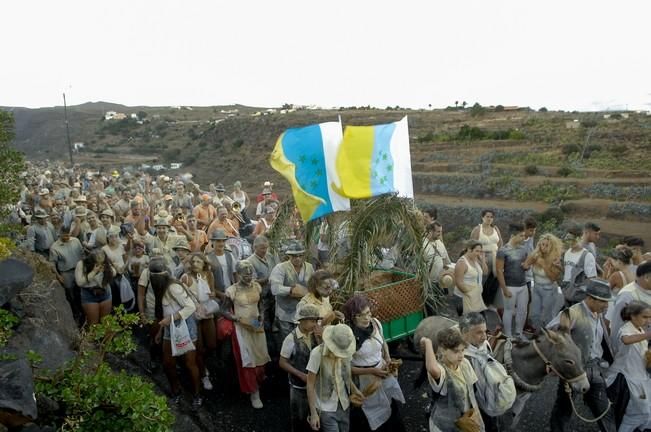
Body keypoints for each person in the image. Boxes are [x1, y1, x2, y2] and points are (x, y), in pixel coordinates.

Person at [547, 279, 616, 432]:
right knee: (564, 409)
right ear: (590, 298)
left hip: (595, 370)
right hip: (575, 372)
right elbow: (549, 333)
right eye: (603, 301)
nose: (606, 305)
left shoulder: (598, 314)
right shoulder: (572, 313)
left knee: (604, 411)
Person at [343, 295, 405, 432]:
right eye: (361, 315)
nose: (367, 318)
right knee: (370, 411)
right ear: (353, 317)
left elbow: (383, 343)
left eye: (368, 313)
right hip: (364, 379)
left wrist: (388, 359)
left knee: (388, 403)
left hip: (382, 370)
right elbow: (346, 368)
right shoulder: (348, 335)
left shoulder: (375, 323)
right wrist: (371, 371)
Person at [148, 259, 202, 409]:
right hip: (168, 327)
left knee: (189, 363)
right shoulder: (159, 288)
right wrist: (160, 330)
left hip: (185, 326)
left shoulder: (173, 288)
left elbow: (190, 307)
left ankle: (197, 394)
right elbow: (164, 312)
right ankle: (175, 391)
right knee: (168, 363)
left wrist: (170, 319)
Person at [222, 261, 271, 408]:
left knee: (261, 356)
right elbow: (223, 310)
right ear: (238, 275)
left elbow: (261, 304)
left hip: (256, 326)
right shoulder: (232, 291)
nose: (249, 277)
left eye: (251, 274)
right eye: (245, 275)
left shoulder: (257, 286)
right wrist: (236, 318)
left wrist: (261, 316)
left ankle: (259, 381)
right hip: (241, 328)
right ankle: (253, 392)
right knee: (248, 360)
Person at [420, 327, 485, 432]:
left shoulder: (464, 364)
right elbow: (432, 369)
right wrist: (428, 343)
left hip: (466, 422)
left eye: (463, 350)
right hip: (444, 426)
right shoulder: (442, 370)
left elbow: (472, 392)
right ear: (443, 349)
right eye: (456, 351)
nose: (461, 355)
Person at [459, 312, 516, 432]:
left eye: (485, 331)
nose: (485, 337)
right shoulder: (459, 357)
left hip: (490, 404)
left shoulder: (484, 344)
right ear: (464, 333)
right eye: (479, 332)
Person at [605, 301, 651, 432]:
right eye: (645, 317)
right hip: (628, 379)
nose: (648, 321)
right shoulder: (626, 329)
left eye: (650, 317)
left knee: (645, 414)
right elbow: (626, 340)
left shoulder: (640, 329)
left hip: (641, 377)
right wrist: (648, 335)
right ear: (633, 316)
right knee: (638, 414)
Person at [307, 324, 359, 432]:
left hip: (344, 404)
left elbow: (346, 376)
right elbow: (310, 384)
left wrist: (355, 390)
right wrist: (313, 414)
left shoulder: (345, 350)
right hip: (325, 407)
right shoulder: (317, 353)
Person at [279, 304, 321, 432]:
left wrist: (320, 338)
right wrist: (300, 374)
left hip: (315, 385)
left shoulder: (314, 334)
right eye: (312, 321)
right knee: (300, 418)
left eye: (316, 321)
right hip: (299, 386)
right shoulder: (290, 339)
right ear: (301, 321)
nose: (315, 324)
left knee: (315, 416)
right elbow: (282, 362)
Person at [180, 253, 217, 391]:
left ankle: (203, 363)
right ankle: (203, 375)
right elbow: (181, 298)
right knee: (199, 348)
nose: (195, 264)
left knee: (212, 344)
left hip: (207, 312)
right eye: (193, 261)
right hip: (193, 315)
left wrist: (212, 294)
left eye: (198, 262)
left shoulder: (208, 275)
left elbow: (213, 291)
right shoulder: (185, 278)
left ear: (204, 264)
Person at [270, 241, 315, 342]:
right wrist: (290, 290)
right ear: (289, 256)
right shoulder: (280, 268)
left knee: (303, 340)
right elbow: (275, 288)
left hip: (303, 312)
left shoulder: (309, 267)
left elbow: (314, 286)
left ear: (304, 255)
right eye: (294, 256)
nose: (298, 258)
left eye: (300, 255)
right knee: (287, 341)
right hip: (286, 312)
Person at [496, 222, 530, 340]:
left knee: (523, 311)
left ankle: (519, 333)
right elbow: (499, 271)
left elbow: (526, 265)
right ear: (513, 235)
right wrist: (504, 288)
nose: (523, 238)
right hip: (510, 286)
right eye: (521, 235)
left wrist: (527, 266)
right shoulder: (503, 250)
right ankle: (508, 334)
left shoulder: (523, 249)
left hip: (522, 285)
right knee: (509, 310)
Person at [523, 233, 564, 330]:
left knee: (547, 316)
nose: (544, 247)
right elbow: (525, 266)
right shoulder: (537, 255)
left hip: (549, 290)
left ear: (551, 246)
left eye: (547, 245)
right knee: (534, 314)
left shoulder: (555, 259)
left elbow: (553, 278)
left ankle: (547, 336)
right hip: (537, 288)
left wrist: (544, 265)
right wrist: (533, 256)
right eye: (542, 244)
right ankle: (538, 333)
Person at [607, 261, 651, 347]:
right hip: (633, 351)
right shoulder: (627, 295)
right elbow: (618, 328)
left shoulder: (647, 290)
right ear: (646, 277)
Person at [49, 225, 84, 322]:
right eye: (64, 236)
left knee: (81, 290)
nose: (67, 237)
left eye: (68, 235)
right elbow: (52, 263)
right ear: (59, 234)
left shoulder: (76, 241)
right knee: (70, 293)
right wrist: (58, 276)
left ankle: (84, 310)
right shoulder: (54, 247)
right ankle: (75, 312)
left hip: (79, 269)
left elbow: (82, 253)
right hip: (66, 273)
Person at [471, 210, 503, 308]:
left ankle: (488, 303)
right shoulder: (477, 229)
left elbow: (500, 242)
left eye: (491, 217)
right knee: (481, 281)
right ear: (482, 217)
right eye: (487, 216)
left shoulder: (495, 229)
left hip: (495, 256)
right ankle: (476, 304)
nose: (489, 219)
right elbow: (472, 244)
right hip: (481, 257)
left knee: (494, 281)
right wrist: (479, 258)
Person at [246, 235, 278, 332]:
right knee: (263, 322)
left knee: (274, 321)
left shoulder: (270, 257)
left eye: (266, 248)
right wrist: (268, 278)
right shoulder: (249, 262)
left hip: (273, 295)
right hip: (260, 298)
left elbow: (277, 269)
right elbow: (251, 282)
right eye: (262, 248)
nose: (265, 250)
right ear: (255, 247)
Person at [75, 249, 115, 325]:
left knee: (106, 321)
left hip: (105, 292)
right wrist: (94, 272)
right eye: (97, 262)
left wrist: (106, 270)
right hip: (89, 294)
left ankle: (106, 336)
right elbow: (79, 283)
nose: (99, 263)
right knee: (93, 324)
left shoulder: (105, 262)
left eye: (102, 262)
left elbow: (114, 273)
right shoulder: (81, 264)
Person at [561, 225, 597, 306]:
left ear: (580, 238)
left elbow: (592, 278)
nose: (570, 243)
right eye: (568, 240)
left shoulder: (587, 256)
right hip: (566, 292)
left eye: (573, 240)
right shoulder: (567, 253)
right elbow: (567, 272)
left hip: (579, 295)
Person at [297, 270, 343, 335]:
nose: (330, 291)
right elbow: (303, 329)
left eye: (330, 287)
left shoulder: (325, 298)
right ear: (315, 286)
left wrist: (334, 315)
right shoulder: (305, 304)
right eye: (326, 288)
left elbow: (327, 315)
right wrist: (323, 322)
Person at [453, 240, 488, 315]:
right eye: (477, 251)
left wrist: (483, 260)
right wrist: (470, 294)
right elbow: (458, 282)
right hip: (465, 297)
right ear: (469, 249)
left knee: (480, 323)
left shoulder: (476, 259)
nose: (478, 253)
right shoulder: (462, 263)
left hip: (476, 296)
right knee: (469, 324)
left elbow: (485, 272)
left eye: (480, 251)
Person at [205, 228, 237, 295]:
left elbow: (235, 274)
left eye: (223, 241)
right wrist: (218, 293)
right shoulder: (208, 258)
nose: (221, 243)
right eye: (218, 241)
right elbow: (208, 280)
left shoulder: (230, 255)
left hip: (231, 291)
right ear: (213, 242)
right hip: (217, 294)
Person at [423, 222, 451, 287]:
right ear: (430, 231)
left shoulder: (440, 243)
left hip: (439, 283)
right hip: (426, 283)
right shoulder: (422, 245)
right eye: (438, 231)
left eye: (441, 231)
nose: (440, 234)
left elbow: (445, 261)